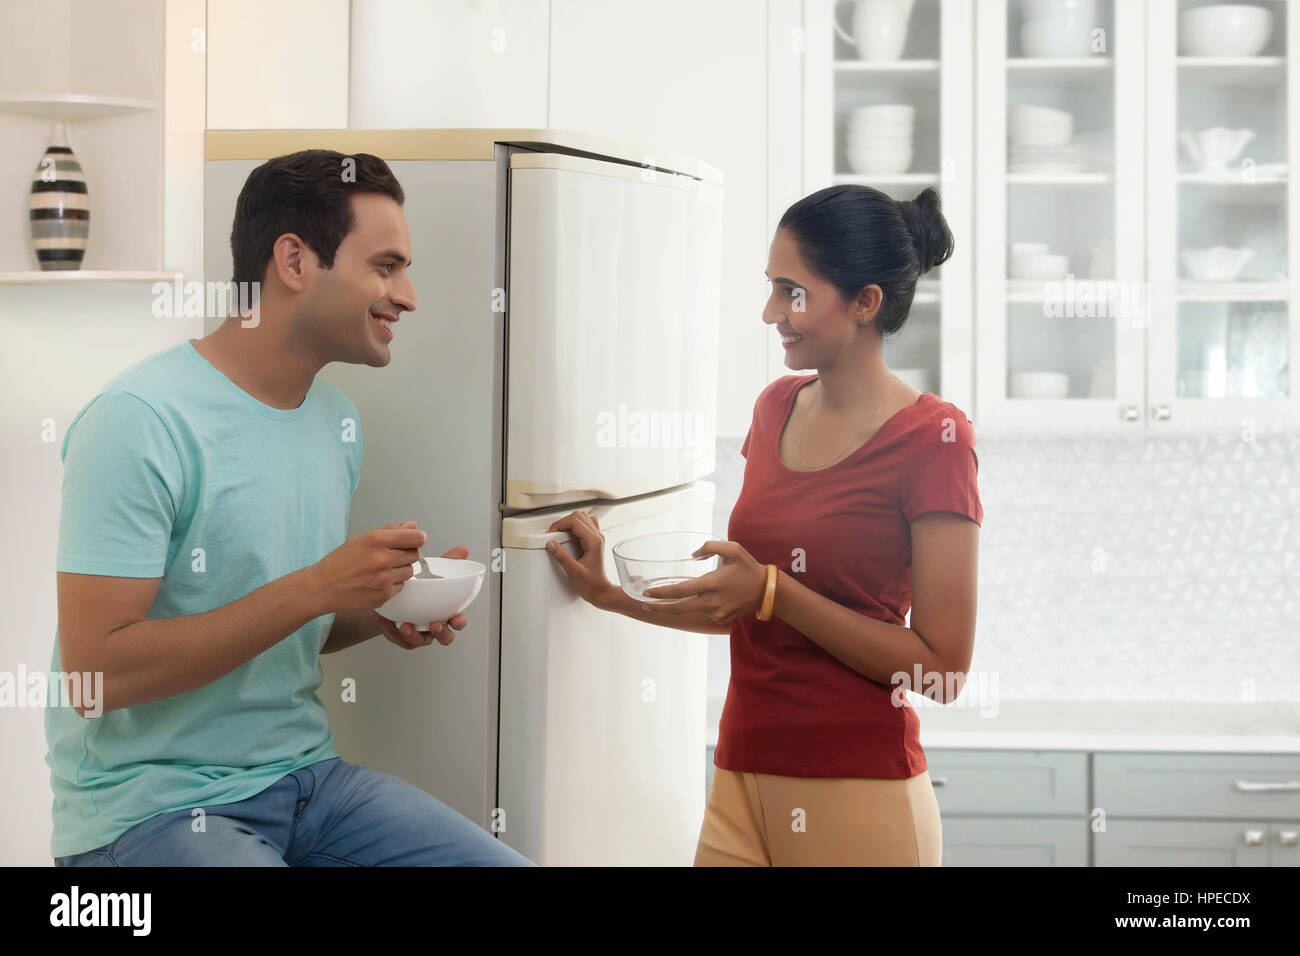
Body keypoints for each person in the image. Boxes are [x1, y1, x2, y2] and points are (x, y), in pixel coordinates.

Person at [47, 149, 532, 866]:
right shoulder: (138, 420)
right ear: (295, 261)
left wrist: (377, 609)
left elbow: (276, 622)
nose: (408, 296)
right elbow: (97, 676)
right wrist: (316, 586)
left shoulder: (333, 422)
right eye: (387, 266)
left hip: (307, 782)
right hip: (150, 808)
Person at [545, 185, 982, 866]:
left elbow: (943, 671)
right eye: (772, 288)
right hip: (741, 773)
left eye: (792, 291)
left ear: (865, 302)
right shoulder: (775, 407)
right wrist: (612, 596)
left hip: (861, 787)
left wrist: (775, 591)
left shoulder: (936, 438)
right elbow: (746, 605)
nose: (771, 312)